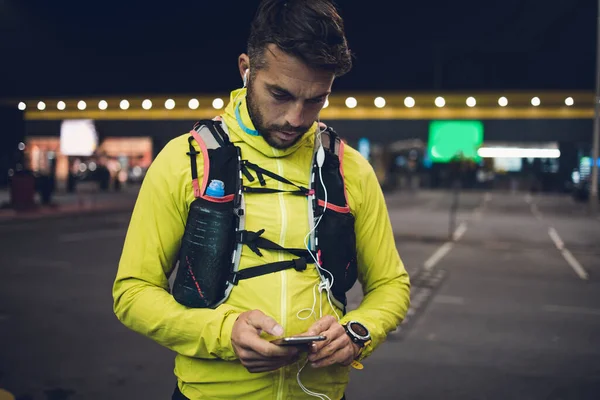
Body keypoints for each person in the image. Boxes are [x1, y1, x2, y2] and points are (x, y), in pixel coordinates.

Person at [112, 1, 411, 399]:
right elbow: (132, 292)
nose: (296, 117)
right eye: (280, 94)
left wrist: (359, 331)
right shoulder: (185, 160)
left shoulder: (349, 168)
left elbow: (391, 284)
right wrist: (222, 333)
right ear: (246, 69)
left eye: (315, 99)